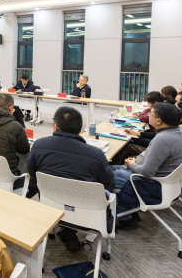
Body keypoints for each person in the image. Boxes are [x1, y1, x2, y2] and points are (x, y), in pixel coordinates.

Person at [26, 106, 115, 250]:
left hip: (51, 207)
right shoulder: (96, 155)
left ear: (55, 126)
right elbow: (109, 184)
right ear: (80, 130)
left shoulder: (39, 145)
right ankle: (69, 232)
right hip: (88, 215)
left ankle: (67, 231)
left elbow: (33, 174)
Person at [112, 102, 182, 229]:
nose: (148, 116)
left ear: (159, 121)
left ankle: (124, 218)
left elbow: (147, 172)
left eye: (151, 114)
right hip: (165, 182)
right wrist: (136, 162)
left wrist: (132, 165)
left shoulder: (163, 139)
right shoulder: (176, 132)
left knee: (103, 175)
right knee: (109, 168)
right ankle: (127, 211)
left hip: (150, 183)